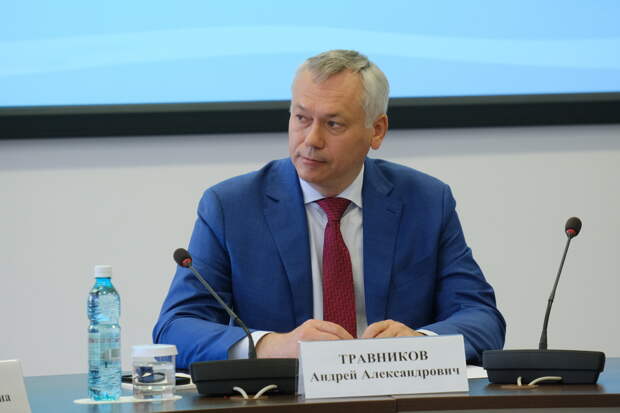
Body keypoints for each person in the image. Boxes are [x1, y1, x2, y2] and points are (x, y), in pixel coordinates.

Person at [153, 50, 505, 368]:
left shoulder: (425, 201)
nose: (311, 140)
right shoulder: (232, 207)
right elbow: (176, 327)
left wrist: (421, 343)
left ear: (376, 131)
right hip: (281, 401)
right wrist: (270, 346)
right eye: (301, 118)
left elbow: (481, 317)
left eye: (333, 124)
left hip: (395, 397)